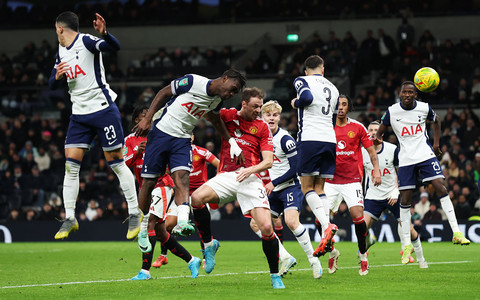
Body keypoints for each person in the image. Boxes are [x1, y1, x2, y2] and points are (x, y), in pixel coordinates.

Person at [49, 11, 141, 240]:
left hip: (102, 110)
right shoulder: (60, 51)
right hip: (79, 116)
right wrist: (57, 77)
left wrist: (105, 34)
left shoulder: (87, 41)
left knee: (116, 162)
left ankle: (134, 212)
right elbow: (51, 82)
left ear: (60, 28)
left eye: (56, 30)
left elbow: (114, 47)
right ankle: (70, 217)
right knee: (71, 166)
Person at [133, 69, 246, 251]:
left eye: (235, 93)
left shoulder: (216, 101)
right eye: (233, 88)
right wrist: (147, 119)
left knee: (182, 178)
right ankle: (144, 226)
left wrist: (232, 141)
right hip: (161, 133)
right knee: (148, 182)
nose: (231, 94)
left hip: (182, 139)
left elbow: (215, 121)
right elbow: (164, 92)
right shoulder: (193, 81)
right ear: (224, 78)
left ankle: (183, 222)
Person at [190, 88, 285, 289]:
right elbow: (208, 113)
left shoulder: (262, 127)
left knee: (267, 228)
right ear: (243, 104)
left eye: (260, 106)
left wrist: (251, 169)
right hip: (227, 176)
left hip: (251, 178)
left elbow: (268, 162)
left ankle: (275, 275)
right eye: (255, 106)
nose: (259, 110)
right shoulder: (227, 115)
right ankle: (209, 245)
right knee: (196, 198)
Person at [374, 81, 470, 264]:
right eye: (405, 92)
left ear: (416, 95)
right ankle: (407, 245)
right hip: (406, 159)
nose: (408, 95)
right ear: (400, 93)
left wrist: (435, 144)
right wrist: (378, 136)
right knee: (405, 200)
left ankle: (457, 232)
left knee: (441, 187)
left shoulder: (424, 108)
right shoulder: (392, 110)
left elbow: (437, 121)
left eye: (411, 92)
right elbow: (383, 125)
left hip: (425, 155)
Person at [125, 106, 201, 280]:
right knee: (161, 233)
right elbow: (124, 163)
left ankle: (144, 271)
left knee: (149, 221)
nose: (149, 119)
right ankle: (192, 260)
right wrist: (137, 152)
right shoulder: (130, 140)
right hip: (144, 188)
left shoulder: (160, 135)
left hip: (162, 184)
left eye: (150, 117)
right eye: (145, 116)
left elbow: (170, 159)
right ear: (137, 120)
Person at [250, 100, 322, 279]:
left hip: (290, 187)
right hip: (274, 190)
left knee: (291, 221)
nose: (271, 118)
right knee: (254, 223)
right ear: (262, 117)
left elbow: (294, 169)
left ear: (279, 117)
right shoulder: (261, 138)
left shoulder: (285, 139)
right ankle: (285, 257)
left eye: (275, 115)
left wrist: (273, 183)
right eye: (268, 115)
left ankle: (314, 260)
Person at [319, 95, 381, 276]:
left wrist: (376, 170)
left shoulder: (358, 127)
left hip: (352, 180)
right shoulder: (326, 127)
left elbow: (371, 151)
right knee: (320, 220)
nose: (340, 107)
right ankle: (332, 252)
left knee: (358, 217)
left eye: (344, 104)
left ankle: (363, 256)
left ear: (349, 107)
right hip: (330, 181)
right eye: (337, 104)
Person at [290, 55, 339, 257]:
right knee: (320, 187)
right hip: (330, 139)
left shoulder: (302, 81)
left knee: (306, 187)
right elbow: (334, 118)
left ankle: (327, 227)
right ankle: (328, 230)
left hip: (310, 138)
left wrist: (295, 103)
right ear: (323, 69)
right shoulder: (334, 88)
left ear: (305, 70)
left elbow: (307, 98)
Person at [362, 121, 428, 268]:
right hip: (373, 196)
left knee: (408, 229)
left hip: (393, 194)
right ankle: (366, 248)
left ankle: (421, 259)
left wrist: (395, 190)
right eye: (370, 130)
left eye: (376, 130)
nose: (373, 132)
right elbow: (361, 175)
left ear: (381, 133)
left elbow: (403, 174)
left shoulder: (392, 150)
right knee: (361, 227)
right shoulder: (362, 152)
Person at [152, 135, 220, 269]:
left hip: (200, 194)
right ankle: (163, 256)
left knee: (202, 226)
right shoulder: (173, 153)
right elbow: (166, 171)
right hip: (181, 193)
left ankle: (206, 257)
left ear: (193, 137)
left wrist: (214, 184)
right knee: (168, 225)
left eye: (189, 135)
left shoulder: (200, 151)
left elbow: (219, 164)